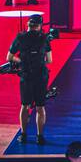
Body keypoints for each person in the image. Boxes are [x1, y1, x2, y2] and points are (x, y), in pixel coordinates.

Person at [7, 14, 53, 144]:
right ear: (40, 26)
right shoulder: (44, 39)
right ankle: (40, 136)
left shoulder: (20, 37)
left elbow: (9, 57)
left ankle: (23, 135)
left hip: (26, 76)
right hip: (41, 77)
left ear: (28, 24)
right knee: (40, 107)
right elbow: (49, 60)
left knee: (25, 106)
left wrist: (22, 61)